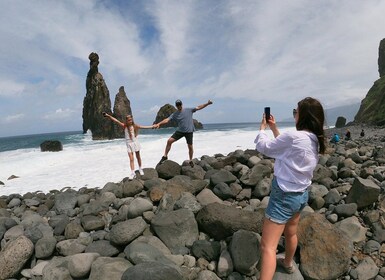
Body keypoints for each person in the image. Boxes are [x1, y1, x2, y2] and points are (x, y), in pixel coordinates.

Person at [254, 97, 326, 279]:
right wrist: (274, 129)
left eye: (296, 111)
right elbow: (287, 150)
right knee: (291, 231)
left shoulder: (294, 137)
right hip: (301, 195)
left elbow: (266, 148)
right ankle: (287, 263)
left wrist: (262, 129)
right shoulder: (315, 139)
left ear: (303, 116)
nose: (295, 114)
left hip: (284, 195)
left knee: (268, 247)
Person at [154, 99, 213, 166]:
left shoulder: (189, 110)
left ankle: (190, 160)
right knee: (169, 141)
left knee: (190, 147)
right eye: (177, 105)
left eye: (180, 104)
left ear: (182, 104)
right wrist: (159, 123)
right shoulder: (175, 114)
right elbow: (167, 120)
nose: (179, 106)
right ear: (176, 106)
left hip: (189, 132)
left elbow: (199, 107)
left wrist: (207, 104)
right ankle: (165, 156)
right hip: (180, 131)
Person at [103, 112, 154, 179]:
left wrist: (153, 126)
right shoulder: (124, 126)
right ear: (126, 121)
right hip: (128, 144)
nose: (130, 121)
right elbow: (116, 120)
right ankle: (132, 172)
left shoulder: (135, 126)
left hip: (135, 142)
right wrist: (108, 115)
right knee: (131, 159)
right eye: (129, 120)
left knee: (138, 156)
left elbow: (144, 127)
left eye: (131, 119)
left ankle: (140, 168)